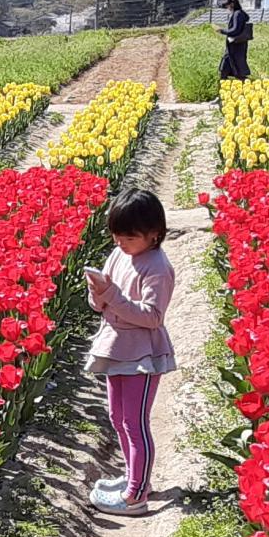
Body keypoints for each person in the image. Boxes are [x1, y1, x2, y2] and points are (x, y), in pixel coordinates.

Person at [84, 188, 176, 517]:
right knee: (117, 418)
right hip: (115, 346)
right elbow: (103, 303)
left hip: (142, 354)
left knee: (135, 422)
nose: (121, 244)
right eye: (116, 237)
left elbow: (152, 317)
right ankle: (132, 477)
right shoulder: (120, 254)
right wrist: (98, 293)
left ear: (154, 235)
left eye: (129, 238)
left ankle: (136, 495)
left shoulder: (157, 267)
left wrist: (111, 294)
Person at [218, 0, 253, 81]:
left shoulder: (237, 14)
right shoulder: (239, 13)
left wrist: (222, 31)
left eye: (228, 5)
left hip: (236, 44)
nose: (227, 7)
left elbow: (235, 30)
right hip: (238, 44)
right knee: (233, 63)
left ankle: (241, 83)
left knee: (234, 64)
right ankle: (225, 81)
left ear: (232, 4)